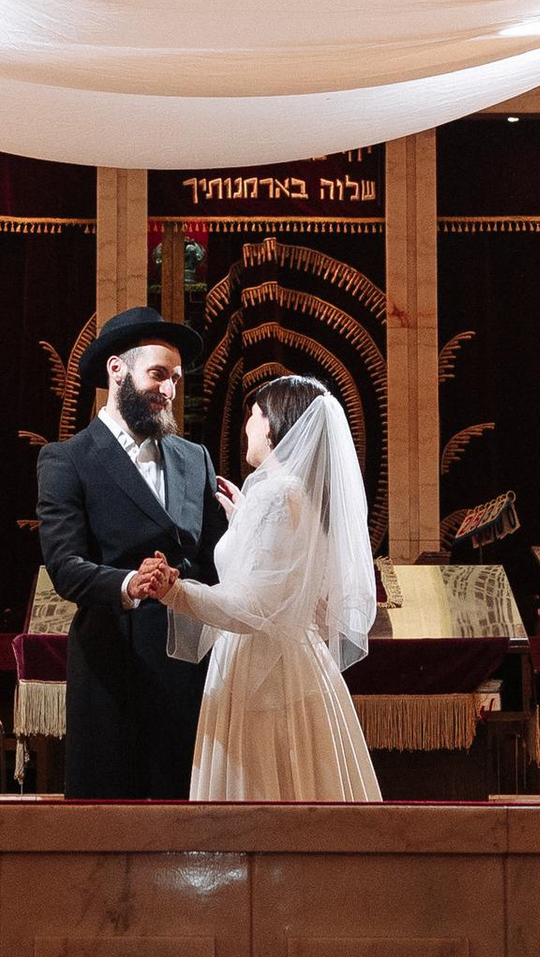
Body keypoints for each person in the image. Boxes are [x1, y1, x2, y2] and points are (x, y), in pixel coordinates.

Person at [34, 310, 226, 801]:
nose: (169, 390)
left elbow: (210, 559)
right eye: (158, 374)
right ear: (117, 370)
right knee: (108, 824)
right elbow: (65, 566)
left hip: (188, 670)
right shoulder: (67, 459)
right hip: (111, 669)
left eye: (177, 380)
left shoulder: (195, 458)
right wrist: (127, 584)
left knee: (184, 823)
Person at [175, 372, 383, 804]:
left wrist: (174, 593)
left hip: (259, 668)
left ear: (273, 424)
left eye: (253, 414)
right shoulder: (301, 496)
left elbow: (250, 606)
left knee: (260, 792)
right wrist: (242, 520)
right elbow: (296, 589)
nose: (247, 425)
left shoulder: (276, 496)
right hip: (300, 661)